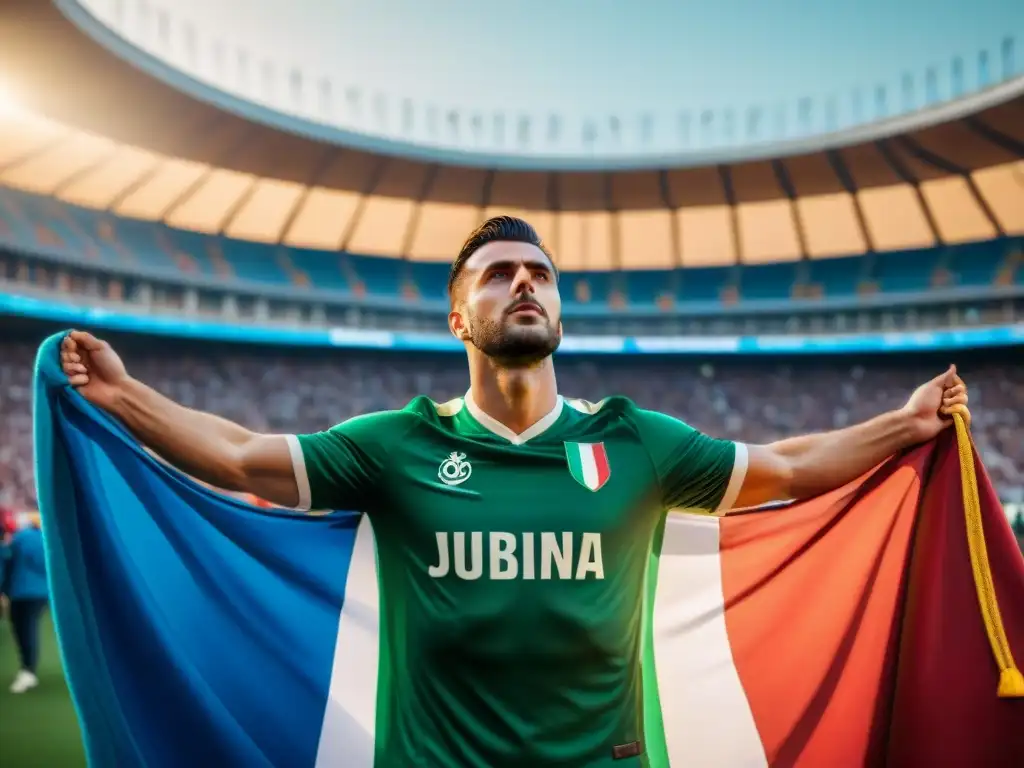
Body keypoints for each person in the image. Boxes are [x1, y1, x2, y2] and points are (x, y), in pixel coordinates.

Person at [59, 216, 970, 767]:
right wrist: (123, 395)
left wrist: (906, 422)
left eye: (539, 274)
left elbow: (789, 468)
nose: (524, 283)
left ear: (560, 311)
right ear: (460, 315)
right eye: (500, 274)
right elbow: (244, 457)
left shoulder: (634, 442)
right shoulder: (398, 446)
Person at [1, 512, 49, 694]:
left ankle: (28, 670)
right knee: (28, 628)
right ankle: (28, 668)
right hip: (40, 592)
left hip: (20, 592)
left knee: (24, 630)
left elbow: (6, 562)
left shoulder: (20, 538)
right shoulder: (45, 539)